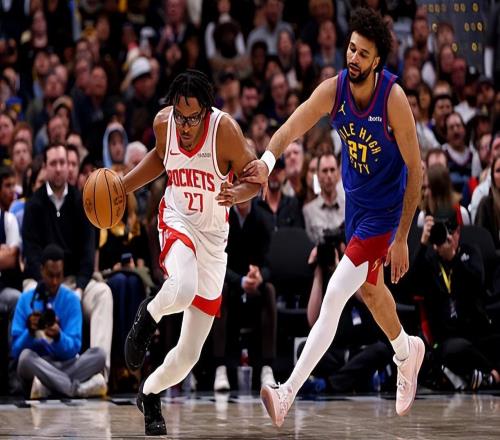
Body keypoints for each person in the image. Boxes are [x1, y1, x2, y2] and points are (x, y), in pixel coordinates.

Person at [242, 8, 425, 426]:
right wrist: (267, 162)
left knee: (337, 292)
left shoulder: (393, 99)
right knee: (373, 293)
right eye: (351, 49)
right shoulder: (335, 89)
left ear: (377, 61)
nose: (353, 58)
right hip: (355, 206)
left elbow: (416, 170)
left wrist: (401, 237)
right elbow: (291, 127)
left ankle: (287, 392)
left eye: (363, 53)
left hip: (385, 213)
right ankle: (406, 351)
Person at [122, 70, 260, 436]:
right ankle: (147, 317)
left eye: (192, 118)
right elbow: (160, 158)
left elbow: (256, 178)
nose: (184, 126)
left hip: (213, 240)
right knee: (181, 288)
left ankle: (149, 393)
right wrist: (123, 185)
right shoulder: (163, 124)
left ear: (206, 111)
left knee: (188, 356)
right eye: (179, 116)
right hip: (177, 219)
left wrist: (237, 193)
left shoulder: (225, 131)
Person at [11, 244, 107, 399]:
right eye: (50, 275)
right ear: (42, 270)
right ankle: (75, 389)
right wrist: (29, 332)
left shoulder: (71, 300)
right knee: (24, 359)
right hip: (39, 362)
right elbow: (15, 351)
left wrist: (58, 337)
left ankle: (48, 388)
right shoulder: (26, 299)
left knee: (99, 355)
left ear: (63, 273)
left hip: (66, 363)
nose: (55, 281)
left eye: (58, 275)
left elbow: (74, 347)